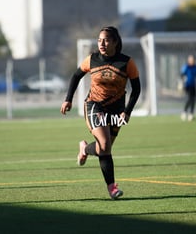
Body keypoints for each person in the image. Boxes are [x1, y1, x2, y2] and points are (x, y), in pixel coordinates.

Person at [60, 26, 141, 199]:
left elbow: (136, 89)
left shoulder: (127, 62)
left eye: (106, 40)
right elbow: (76, 76)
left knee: (104, 148)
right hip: (94, 106)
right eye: (99, 40)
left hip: (117, 110)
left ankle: (84, 149)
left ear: (115, 42)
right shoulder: (92, 59)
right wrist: (68, 99)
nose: (101, 44)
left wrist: (127, 112)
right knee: (104, 145)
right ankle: (112, 188)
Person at [180, 54, 196, 121]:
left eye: (193, 60)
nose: (192, 61)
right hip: (187, 85)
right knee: (189, 99)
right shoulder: (186, 67)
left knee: (193, 100)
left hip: (193, 85)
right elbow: (182, 75)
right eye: (190, 60)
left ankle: (191, 114)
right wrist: (181, 83)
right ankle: (184, 112)